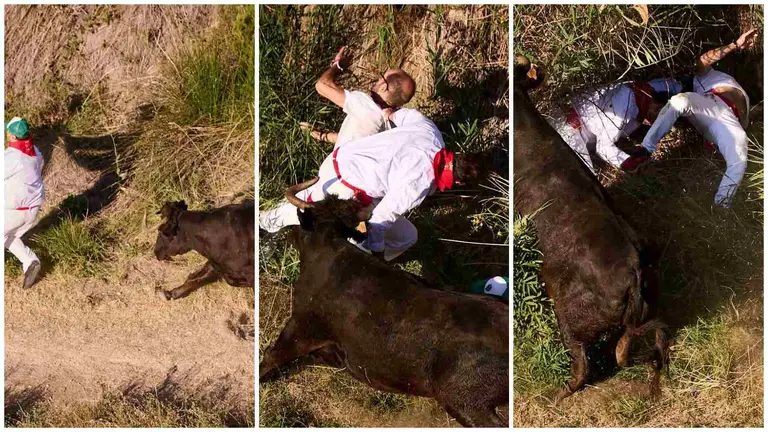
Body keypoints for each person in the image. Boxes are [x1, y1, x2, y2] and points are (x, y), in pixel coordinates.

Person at [260, 108, 488, 261]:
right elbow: (380, 221)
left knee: (404, 235)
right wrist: (377, 255)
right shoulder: (418, 184)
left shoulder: (431, 133)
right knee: (401, 237)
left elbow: (400, 115)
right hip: (345, 188)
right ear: (457, 181)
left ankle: (266, 225)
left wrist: (391, 115)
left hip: (339, 160)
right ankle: (262, 226)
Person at [625, 29, 758, 207]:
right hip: (710, 107)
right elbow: (703, 60)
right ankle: (645, 150)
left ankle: (720, 207)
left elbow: (706, 58)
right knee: (681, 101)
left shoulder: (711, 75)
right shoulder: (699, 80)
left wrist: (736, 45)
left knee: (739, 156)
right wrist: (735, 45)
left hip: (728, 122)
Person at [546, 78, 682, 174]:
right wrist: (632, 162)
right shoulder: (622, 109)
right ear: (657, 105)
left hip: (565, 116)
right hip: (567, 130)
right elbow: (603, 147)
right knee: (585, 184)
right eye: (659, 114)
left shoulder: (644, 91)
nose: (656, 119)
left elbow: (674, 85)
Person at [300, 46, 416, 148]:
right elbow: (353, 139)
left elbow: (322, 85)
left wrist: (338, 65)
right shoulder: (393, 129)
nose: (378, 79)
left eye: (382, 77)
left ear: (383, 88)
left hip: (334, 170)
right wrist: (321, 135)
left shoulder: (365, 104)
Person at [5, 117, 44, 288]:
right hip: (33, 209)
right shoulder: (35, 151)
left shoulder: (13, 157)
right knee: (7, 236)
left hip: (16, 211)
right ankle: (30, 261)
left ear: (12, 136)